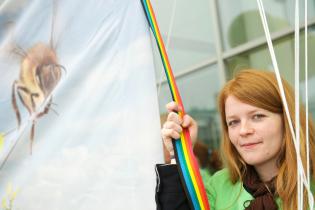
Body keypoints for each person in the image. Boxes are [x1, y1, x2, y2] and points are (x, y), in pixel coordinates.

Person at [156, 69, 315, 210]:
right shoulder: (219, 186)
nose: (244, 131)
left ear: (287, 120)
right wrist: (178, 153)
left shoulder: (310, 184)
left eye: (257, 116)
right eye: (233, 122)